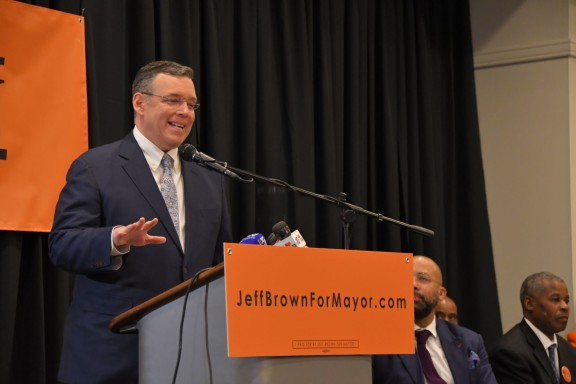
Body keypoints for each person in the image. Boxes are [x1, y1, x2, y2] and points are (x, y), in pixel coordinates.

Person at [48, 61, 232, 383]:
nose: (185, 111)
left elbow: (220, 263)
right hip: (112, 356)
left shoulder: (210, 177)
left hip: (193, 358)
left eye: (191, 104)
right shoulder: (95, 166)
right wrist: (115, 240)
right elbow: (62, 244)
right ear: (139, 102)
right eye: (173, 100)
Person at [372, 255, 497, 384]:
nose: (413, 284)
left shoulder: (470, 341)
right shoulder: (378, 340)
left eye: (423, 278)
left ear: (441, 293)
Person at [490, 272, 576, 383]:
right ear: (529, 304)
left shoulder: (569, 350)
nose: (565, 306)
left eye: (566, 301)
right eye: (555, 299)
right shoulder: (509, 353)